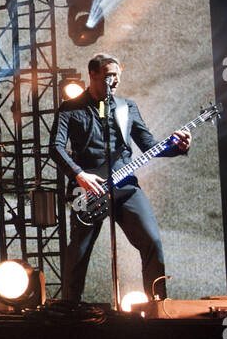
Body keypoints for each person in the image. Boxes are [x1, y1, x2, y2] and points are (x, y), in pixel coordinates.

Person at [51, 53, 191, 302]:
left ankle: (158, 305)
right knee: (79, 254)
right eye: (108, 76)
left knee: (152, 241)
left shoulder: (128, 107)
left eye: (117, 76)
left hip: (126, 187)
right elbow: (56, 147)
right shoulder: (70, 109)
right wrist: (79, 175)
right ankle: (70, 311)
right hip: (89, 189)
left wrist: (178, 147)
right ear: (92, 75)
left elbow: (150, 146)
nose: (114, 81)